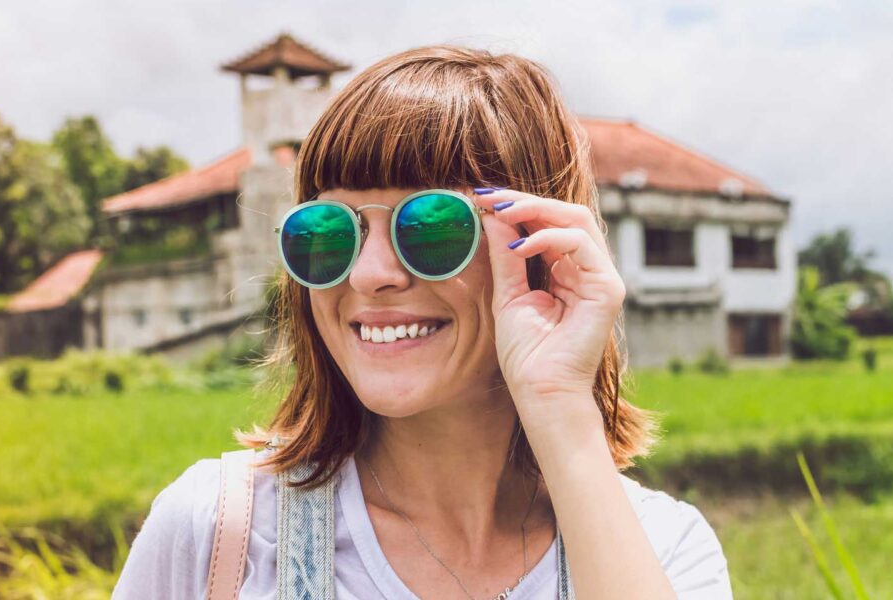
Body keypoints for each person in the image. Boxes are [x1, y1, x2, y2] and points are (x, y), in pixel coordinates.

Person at [113, 44, 732, 599]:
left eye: (431, 228)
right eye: (328, 233)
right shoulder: (218, 531)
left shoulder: (663, 548)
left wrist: (562, 408)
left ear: (541, 248)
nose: (369, 274)